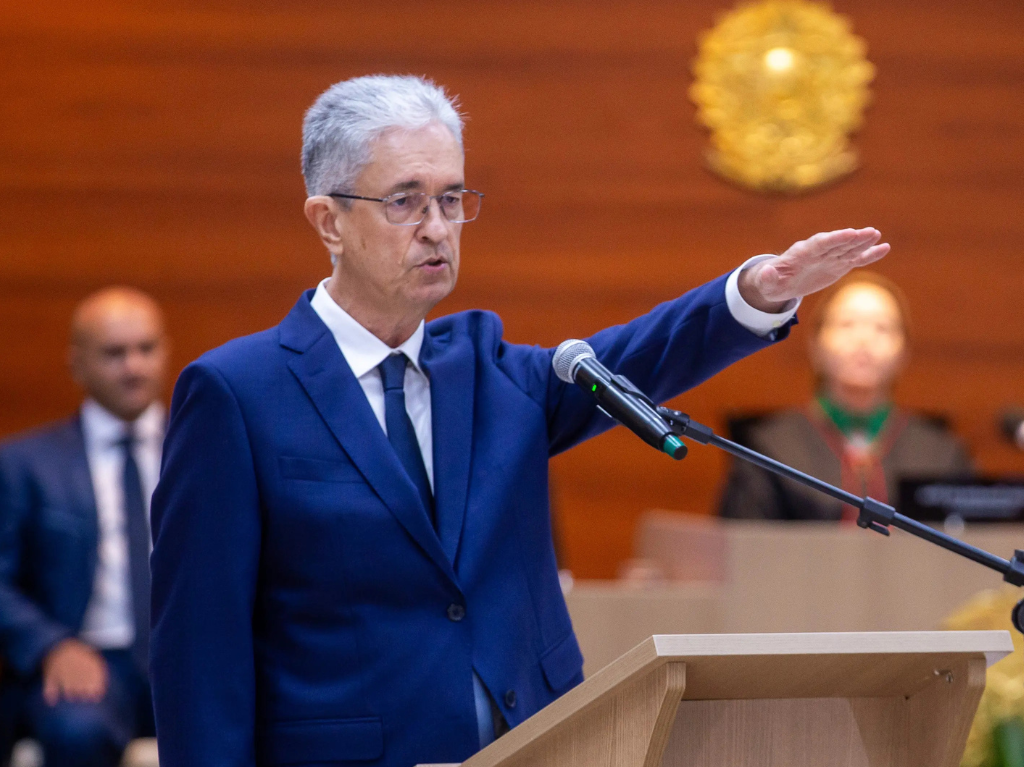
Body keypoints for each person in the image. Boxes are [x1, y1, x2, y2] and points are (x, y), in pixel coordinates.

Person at [149, 74, 889, 767]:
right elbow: (198, 649)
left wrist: (757, 292)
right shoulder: (236, 394)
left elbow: (636, 357)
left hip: (538, 743)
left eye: (451, 198)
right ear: (328, 221)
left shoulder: (489, 368)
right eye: (405, 201)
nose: (437, 228)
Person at [0, 288, 167, 767]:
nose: (133, 367)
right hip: (90, 661)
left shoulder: (204, 453)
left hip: (188, 656)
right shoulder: (25, 463)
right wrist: (49, 645)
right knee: (77, 731)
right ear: (78, 364)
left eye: (146, 349)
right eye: (115, 353)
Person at [719, 271, 972, 521]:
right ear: (815, 344)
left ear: (904, 351)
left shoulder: (941, 454)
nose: (863, 340)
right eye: (847, 324)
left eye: (882, 328)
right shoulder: (769, 449)